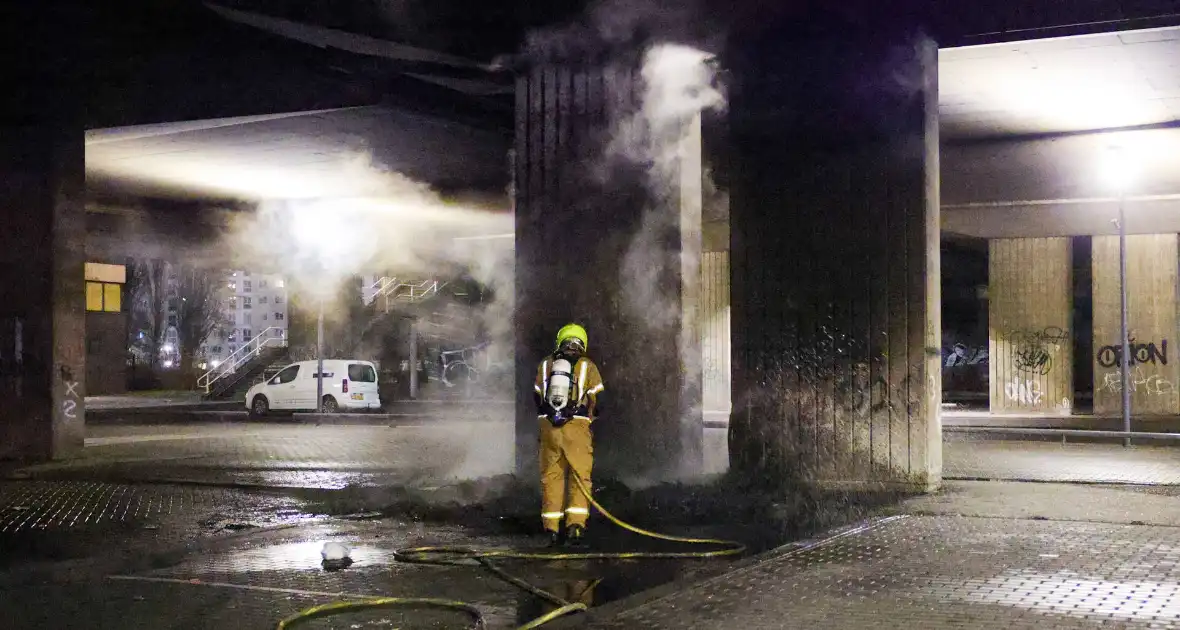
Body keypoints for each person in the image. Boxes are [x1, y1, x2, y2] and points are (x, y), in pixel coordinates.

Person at [534, 323, 604, 547]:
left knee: (552, 477)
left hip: (548, 428)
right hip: (577, 426)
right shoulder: (587, 366)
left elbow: (537, 396)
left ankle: (551, 530)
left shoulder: (546, 365)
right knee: (579, 476)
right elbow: (598, 398)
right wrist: (591, 416)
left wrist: (551, 416)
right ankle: (575, 528)